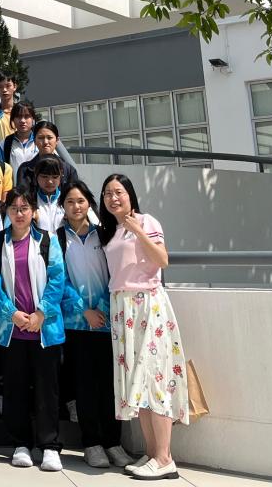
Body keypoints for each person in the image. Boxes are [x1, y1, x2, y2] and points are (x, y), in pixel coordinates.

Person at [100, 173, 189, 480]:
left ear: (130, 195)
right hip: (122, 309)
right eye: (108, 193)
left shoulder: (146, 221)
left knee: (155, 379)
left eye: (119, 192)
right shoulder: (110, 232)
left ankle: (165, 458)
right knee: (138, 384)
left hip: (147, 305)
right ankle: (152, 454)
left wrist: (137, 230)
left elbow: (161, 259)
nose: (113, 198)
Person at [0, 186, 67, 472]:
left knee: (47, 389)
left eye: (24, 208)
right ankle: (20, 443)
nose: (19, 214)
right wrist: (12, 314)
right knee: (14, 388)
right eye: (14, 208)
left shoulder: (47, 240)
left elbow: (58, 278)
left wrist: (41, 313)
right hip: (12, 330)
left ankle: (49, 446)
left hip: (44, 328)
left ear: (34, 211)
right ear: (6, 212)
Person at [57, 181, 131, 470]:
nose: (76, 206)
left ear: (89, 203)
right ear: (63, 207)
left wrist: (101, 308)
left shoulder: (104, 235)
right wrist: (84, 310)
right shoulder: (57, 239)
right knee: (84, 385)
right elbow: (59, 279)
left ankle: (113, 442)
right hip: (77, 324)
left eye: (81, 200)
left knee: (111, 385)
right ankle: (92, 444)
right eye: (70, 202)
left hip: (108, 321)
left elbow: (116, 272)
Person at [14, 121, 81, 191]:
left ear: (57, 140)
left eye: (49, 138)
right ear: (34, 141)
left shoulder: (68, 170)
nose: (45, 142)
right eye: (41, 138)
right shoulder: (25, 170)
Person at [32, 155, 67, 232]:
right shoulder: (29, 201)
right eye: (44, 176)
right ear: (36, 175)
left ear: (61, 176)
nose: (50, 181)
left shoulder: (68, 199)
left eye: (55, 177)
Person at [0, 101, 39, 167]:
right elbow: (0, 170)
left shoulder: (40, 140)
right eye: (18, 116)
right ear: (13, 119)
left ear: (33, 119)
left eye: (26, 116)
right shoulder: (4, 144)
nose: (22, 121)